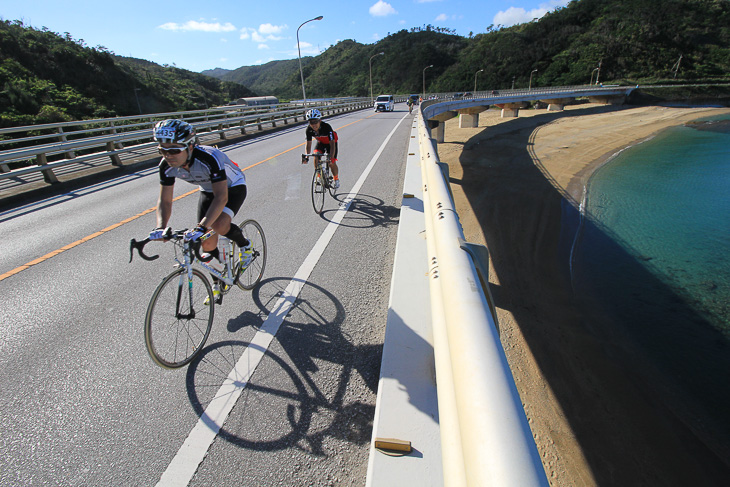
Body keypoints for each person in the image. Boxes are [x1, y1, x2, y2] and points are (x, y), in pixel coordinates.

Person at [148, 119, 252, 304]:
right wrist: (161, 227)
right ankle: (217, 283)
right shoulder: (166, 166)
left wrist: (202, 226)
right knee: (207, 244)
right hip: (207, 190)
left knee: (218, 225)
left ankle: (245, 246)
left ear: (190, 146)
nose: (168, 155)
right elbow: (165, 200)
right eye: (162, 150)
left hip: (232, 187)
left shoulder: (208, 158)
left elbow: (221, 197)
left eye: (173, 150)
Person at [302, 109, 340, 189]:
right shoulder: (309, 130)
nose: (314, 125)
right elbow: (308, 144)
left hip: (331, 143)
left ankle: (336, 179)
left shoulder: (326, 127)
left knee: (331, 163)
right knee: (316, 156)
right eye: (311, 122)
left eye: (315, 122)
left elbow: (332, 143)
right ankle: (319, 176)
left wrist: (331, 157)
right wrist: (306, 157)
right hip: (321, 143)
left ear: (320, 120)